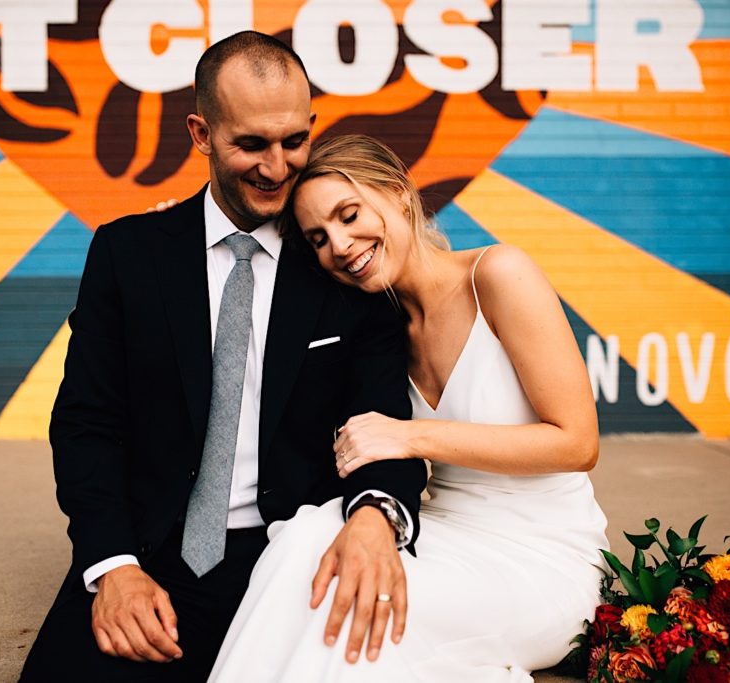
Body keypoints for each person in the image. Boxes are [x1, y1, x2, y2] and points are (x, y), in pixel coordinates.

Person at [19, 35, 428, 682]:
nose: (277, 166)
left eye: (294, 141)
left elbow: (381, 413)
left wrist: (376, 513)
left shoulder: (342, 262)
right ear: (201, 133)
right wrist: (114, 565)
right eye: (251, 145)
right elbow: (87, 423)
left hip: (298, 553)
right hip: (152, 551)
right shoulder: (127, 255)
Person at [209, 134, 609, 683]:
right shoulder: (376, 326)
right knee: (308, 539)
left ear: (398, 192)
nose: (341, 245)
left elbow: (577, 443)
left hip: (542, 558)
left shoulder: (498, 274)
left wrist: (411, 437)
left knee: (355, 608)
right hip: (446, 534)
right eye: (319, 239)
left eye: (350, 215)